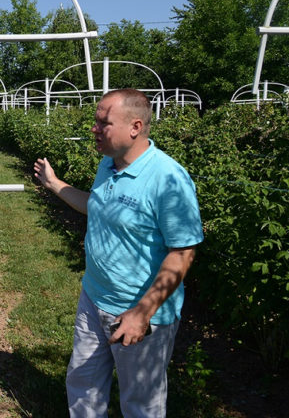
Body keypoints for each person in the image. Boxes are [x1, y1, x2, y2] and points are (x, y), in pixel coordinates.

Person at [33, 89, 203, 417]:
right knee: (83, 385)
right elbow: (97, 206)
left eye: (103, 123)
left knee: (140, 404)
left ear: (135, 127)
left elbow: (183, 252)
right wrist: (54, 184)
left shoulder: (168, 179)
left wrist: (142, 312)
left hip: (138, 311)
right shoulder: (109, 165)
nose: (94, 129)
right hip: (94, 297)